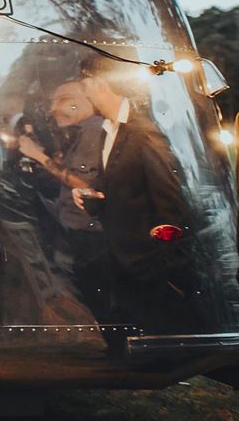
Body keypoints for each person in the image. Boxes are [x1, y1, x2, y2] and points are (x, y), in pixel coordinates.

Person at [73, 55, 202, 332]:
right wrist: (93, 198)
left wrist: (170, 272)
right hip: (120, 258)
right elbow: (121, 190)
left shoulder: (144, 133)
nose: (83, 95)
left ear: (100, 85)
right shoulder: (108, 131)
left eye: (85, 87)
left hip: (146, 266)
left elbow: (170, 203)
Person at [18, 80, 110, 321]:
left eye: (63, 100)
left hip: (88, 234)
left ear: (87, 100)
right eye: (52, 102)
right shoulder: (82, 133)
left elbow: (83, 184)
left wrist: (36, 155)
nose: (53, 108)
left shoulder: (93, 131)